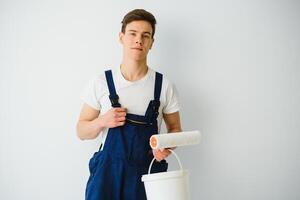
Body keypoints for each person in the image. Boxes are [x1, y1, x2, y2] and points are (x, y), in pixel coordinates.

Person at [76, 9, 182, 200]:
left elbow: (175, 129)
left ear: (151, 43)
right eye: (133, 33)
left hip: (147, 177)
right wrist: (101, 122)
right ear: (121, 37)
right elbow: (81, 130)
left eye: (145, 35)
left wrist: (166, 145)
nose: (138, 40)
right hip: (106, 178)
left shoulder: (164, 86)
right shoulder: (101, 82)